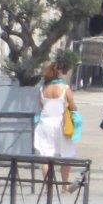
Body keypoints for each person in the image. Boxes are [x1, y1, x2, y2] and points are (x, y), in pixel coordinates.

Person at [34, 62, 79, 191]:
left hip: (44, 123)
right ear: (59, 73)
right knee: (66, 155)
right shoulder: (65, 88)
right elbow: (72, 106)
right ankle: (64, 186)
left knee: (45, 155)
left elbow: (41, 105)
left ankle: (47, 186)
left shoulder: (42, 89)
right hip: (61, 123)